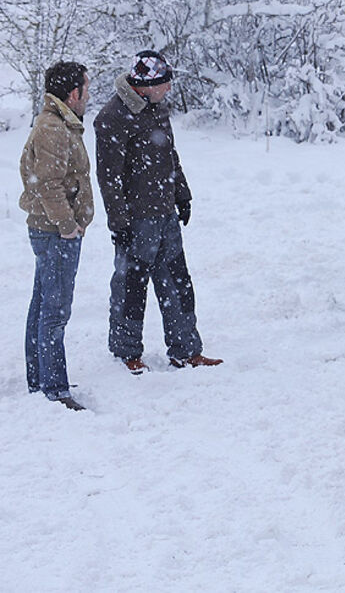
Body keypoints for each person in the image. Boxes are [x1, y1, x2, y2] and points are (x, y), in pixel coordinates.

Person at [94, 50, 222, 374]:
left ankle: (186, 350)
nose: (169, 88)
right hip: (136, 219)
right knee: (130, 287)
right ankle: (127, 352)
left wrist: (183, 194)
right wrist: (119, 222)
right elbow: (109, 177)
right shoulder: (113, 117)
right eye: (164, 83)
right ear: (144, 85)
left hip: (165, 215)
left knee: (178, 283)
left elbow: (170, 156)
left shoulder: (157, 108)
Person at [19, 61, 93, 410]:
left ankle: (41, 379)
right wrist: (67, 225)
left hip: (51, 230)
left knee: (44, 305)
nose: (88, 96)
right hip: (55, 233)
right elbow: (48, 183)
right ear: (73, 93)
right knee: (54, 310)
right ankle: (54, 388)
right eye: (86, 89)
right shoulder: (53, 128)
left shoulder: (58, 123)